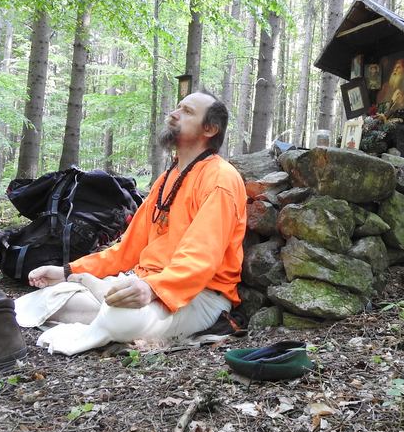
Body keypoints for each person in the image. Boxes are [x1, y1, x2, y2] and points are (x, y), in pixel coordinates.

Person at [18, 91, 247, 355]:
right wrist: (67, 270)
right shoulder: (166, 179)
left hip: (199, 296)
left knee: (121, 318)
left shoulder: (220, 179)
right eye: (177, 106)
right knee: (48, 295)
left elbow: (201, 258)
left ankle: (100, 300)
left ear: (210, 128)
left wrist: (154, 288)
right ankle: (91, 291)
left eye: (187, 111)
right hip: (143, 283)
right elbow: (127, 250)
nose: (173, 114)